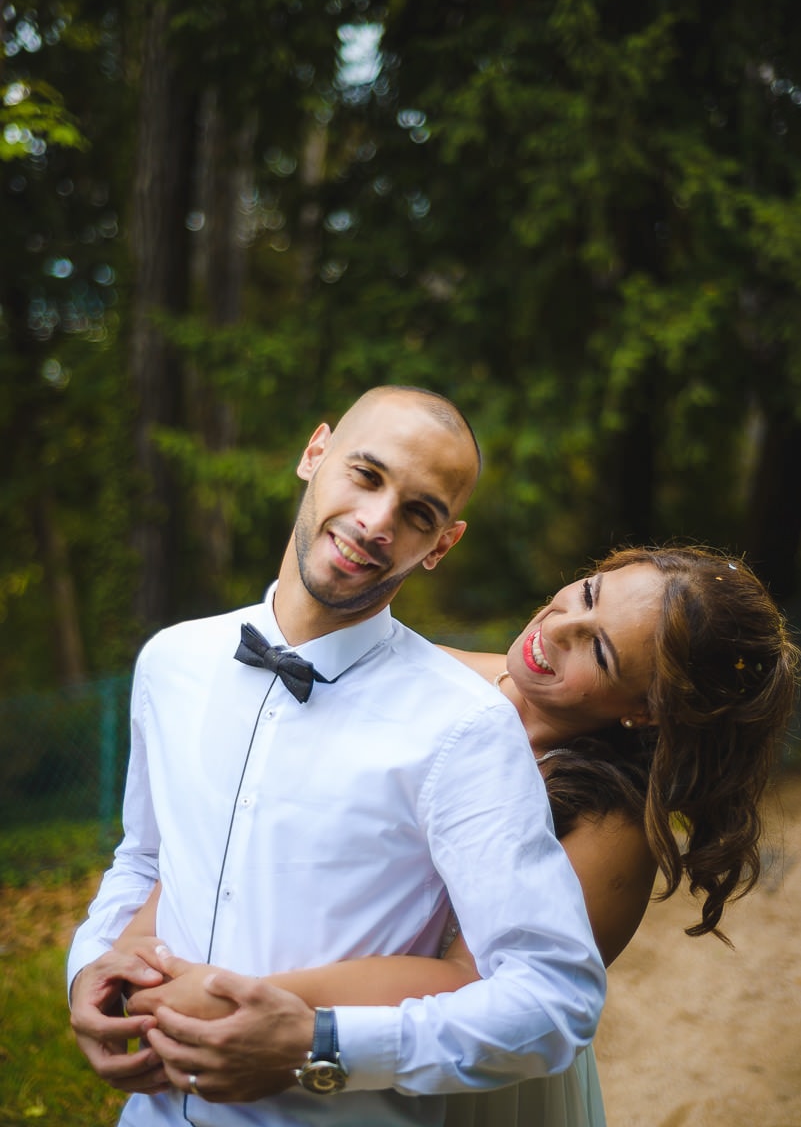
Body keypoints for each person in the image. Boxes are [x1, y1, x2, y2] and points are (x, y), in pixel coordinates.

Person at [67, 385, 606, 1127]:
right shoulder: (172, 660)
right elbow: (144, 862)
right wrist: (85, 974)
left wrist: (319, 1044)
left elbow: (555, 999)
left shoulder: (467, 727)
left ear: (440, 547)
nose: (376, 522)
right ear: (314, 454)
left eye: (419, 514)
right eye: (366, 474)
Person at [119, 543, 800, 1127]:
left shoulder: (608, 828)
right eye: (586, 594)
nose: (558, 626)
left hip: (442, 1064)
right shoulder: (421, 673)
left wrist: (248, 998)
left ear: (646, 711)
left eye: (596, 649)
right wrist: (134, 952)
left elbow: (474, 984)